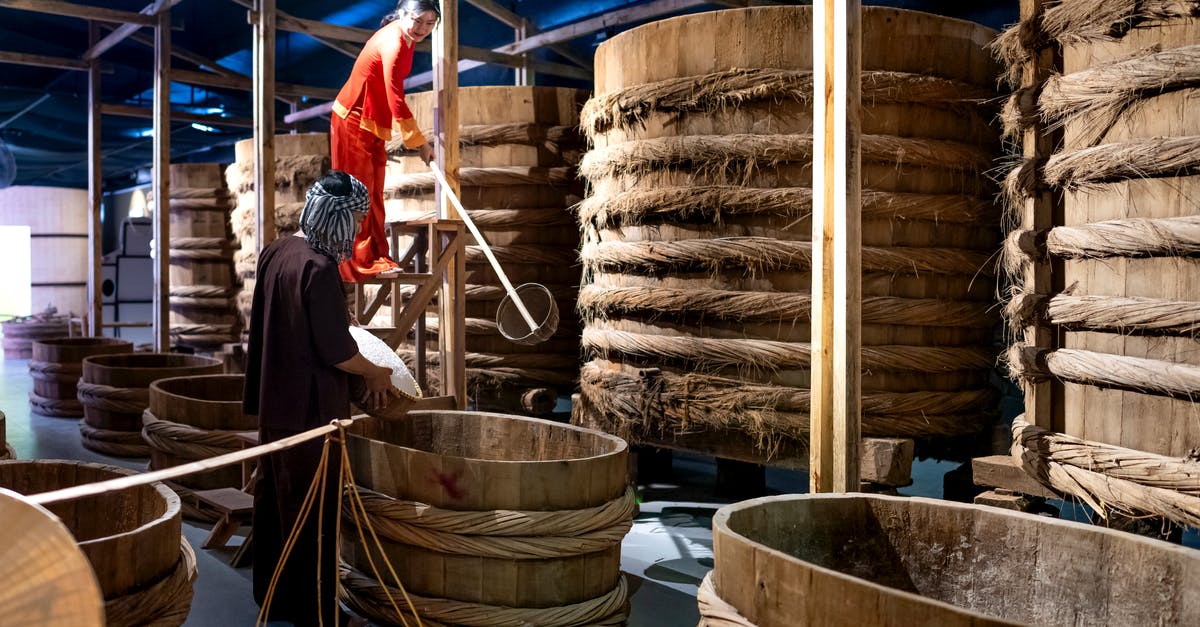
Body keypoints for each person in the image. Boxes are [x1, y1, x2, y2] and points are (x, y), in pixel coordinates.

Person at [243, 170, 397, 626]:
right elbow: (337, 350)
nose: (357, 232)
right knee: (315, 514)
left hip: (275, 404)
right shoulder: (319, 266)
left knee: (274, 504)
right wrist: (375, 371)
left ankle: (271, 595)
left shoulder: (276, 251)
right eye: (354, 222)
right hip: (310, 415)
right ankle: (318, 613)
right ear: (338, 220)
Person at [332, 0, 441, 282]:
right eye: (418, 21)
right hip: (352, 119)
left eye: (430, 24)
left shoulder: (406, 38)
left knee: (374, 192)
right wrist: (420, 143)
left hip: (373, 122)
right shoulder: (393, 43)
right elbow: (396, 98)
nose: (422, 29)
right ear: (402, 15)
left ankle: (378, 255)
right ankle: (356, 261)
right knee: (357, 193)